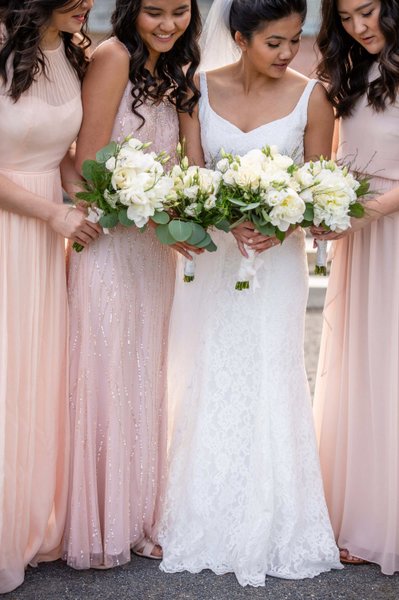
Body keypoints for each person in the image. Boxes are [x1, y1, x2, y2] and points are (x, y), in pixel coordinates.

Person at [159, 0, 341, 587]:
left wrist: (280, 222)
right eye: (275, 43)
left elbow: (320, 186)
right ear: (239, 37)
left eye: (295, 40)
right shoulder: (195, 88)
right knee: (211, 371)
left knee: (271, 371)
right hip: (216, 258)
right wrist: (221, 218)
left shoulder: (314, 95)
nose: (289, 53)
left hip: (277, 263)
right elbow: (191, 175)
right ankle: (207, 512)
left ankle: (276, 517)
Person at [62, 0, 201, 570]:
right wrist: (157, 219)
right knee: (107, 377)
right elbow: (89, 164)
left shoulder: (173, 71)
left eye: (180, 11)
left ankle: (140, 514)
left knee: (144, 374)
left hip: (154, 251)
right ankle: (100, 522)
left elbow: (189, 164)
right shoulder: (114, 57)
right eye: (154, 12)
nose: (168, 24)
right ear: (130, 11)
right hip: (111, 246)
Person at [0, 0, 99, 594]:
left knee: (34, 375)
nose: (88, 2)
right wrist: (51, 215)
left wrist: (103, 198)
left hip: (44, 235)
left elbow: (58, 154)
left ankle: (27, 516)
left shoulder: (73, 49)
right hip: (14, 224)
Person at [313, 0, 399, 574]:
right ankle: (364, 514)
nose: (359, 27)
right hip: (361, 231)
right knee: (363, 368)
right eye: (346, 18)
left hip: (388, 225)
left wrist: (370, 211)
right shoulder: (349, 69)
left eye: (368, 12)